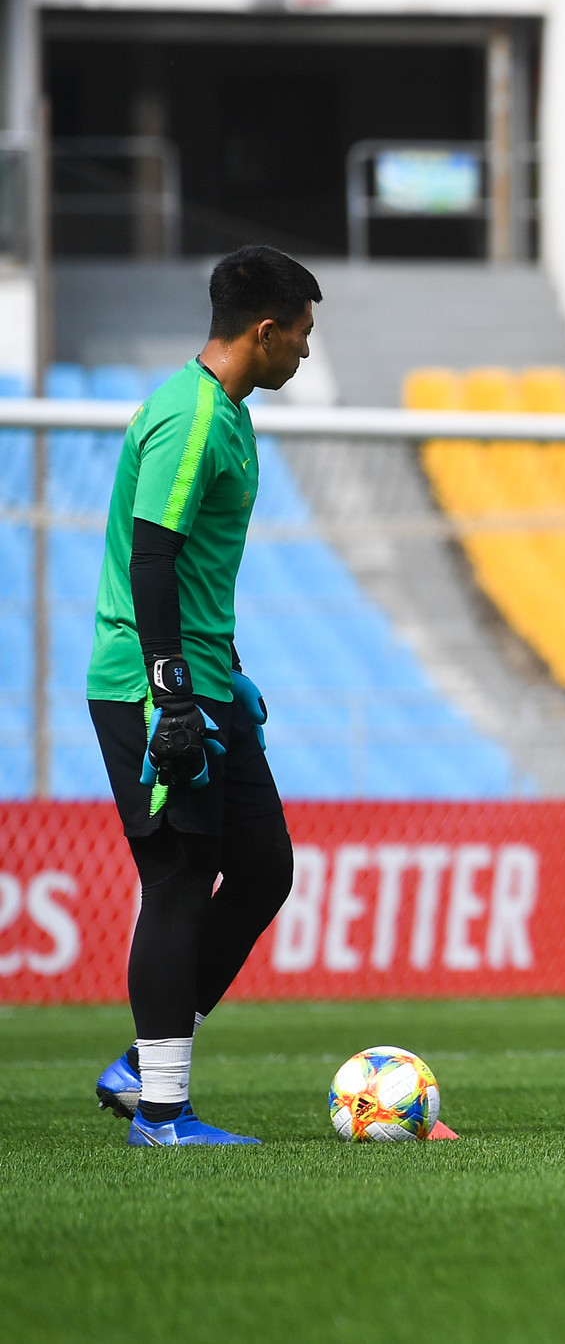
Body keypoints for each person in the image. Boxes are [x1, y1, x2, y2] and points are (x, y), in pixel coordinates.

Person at [86, 246, 320, 1146]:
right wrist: (172, 694)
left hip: (203, 677)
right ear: (264, 331)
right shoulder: (189, 419)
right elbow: (152, 559)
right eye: (300, 334)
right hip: (151, 686)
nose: (305, 350)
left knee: (263, 867)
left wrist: (223, 668)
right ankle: (162, 1112)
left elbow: (197, 573)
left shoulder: (231, 416)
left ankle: (143, 1063)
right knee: (178, 876)